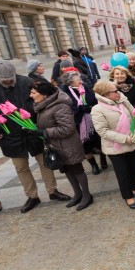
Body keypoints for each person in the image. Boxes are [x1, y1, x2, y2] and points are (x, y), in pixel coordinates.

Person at [0, 61, 71, 213]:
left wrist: (39, 123)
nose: (10, 82)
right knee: (21, 167)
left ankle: (52, 190)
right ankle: (32, 196)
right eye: (5, 81)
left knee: (44, 162)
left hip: (33, 131)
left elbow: (43, 100)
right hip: (8, 135)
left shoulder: (27, 82)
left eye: (12, 79)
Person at [30, 80, 93, 211]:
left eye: (33, 92)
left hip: (68, 145)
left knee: (76, 170)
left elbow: (67, 128)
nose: (31, 95)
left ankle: (87, 195)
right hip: (57, 145)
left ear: (45, 94)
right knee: (67, 170)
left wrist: (44, 132)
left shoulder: (59, 106)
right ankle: (78, 194)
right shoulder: (44, 105)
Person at [91, 80, 135, 209]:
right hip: (116, 147)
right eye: (115, 91)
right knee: (123, 173)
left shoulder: (123, 100)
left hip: (133, 141)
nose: (118, 92)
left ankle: (134, 188)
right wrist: (125, 139)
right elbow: (102, 131)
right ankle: (128, 197)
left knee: (134, 168)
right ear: (105, 94)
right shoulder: (97, 109)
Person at [60, 71, 108, 175]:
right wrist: (79, 109)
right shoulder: (65, 93)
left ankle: (102, 157)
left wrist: (89, 106)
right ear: (71, 83)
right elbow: (68, 109)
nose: (80, 81)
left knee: (99, 141)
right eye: (78, 80)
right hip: (79, 123)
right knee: (86, 146)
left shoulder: (84, 86)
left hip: (92, 119)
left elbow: (93, 99)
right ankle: (93, 165)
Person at [109, 66, 135, 175]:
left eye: (122, 73)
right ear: (113, 75)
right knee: (124, 142)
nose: (120, 75)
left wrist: (131, 112)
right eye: (117, 74)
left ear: (127, 74)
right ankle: (128, 166)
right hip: (118, 120)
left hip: (133, 117)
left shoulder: (134, 85)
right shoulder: (109, 88)